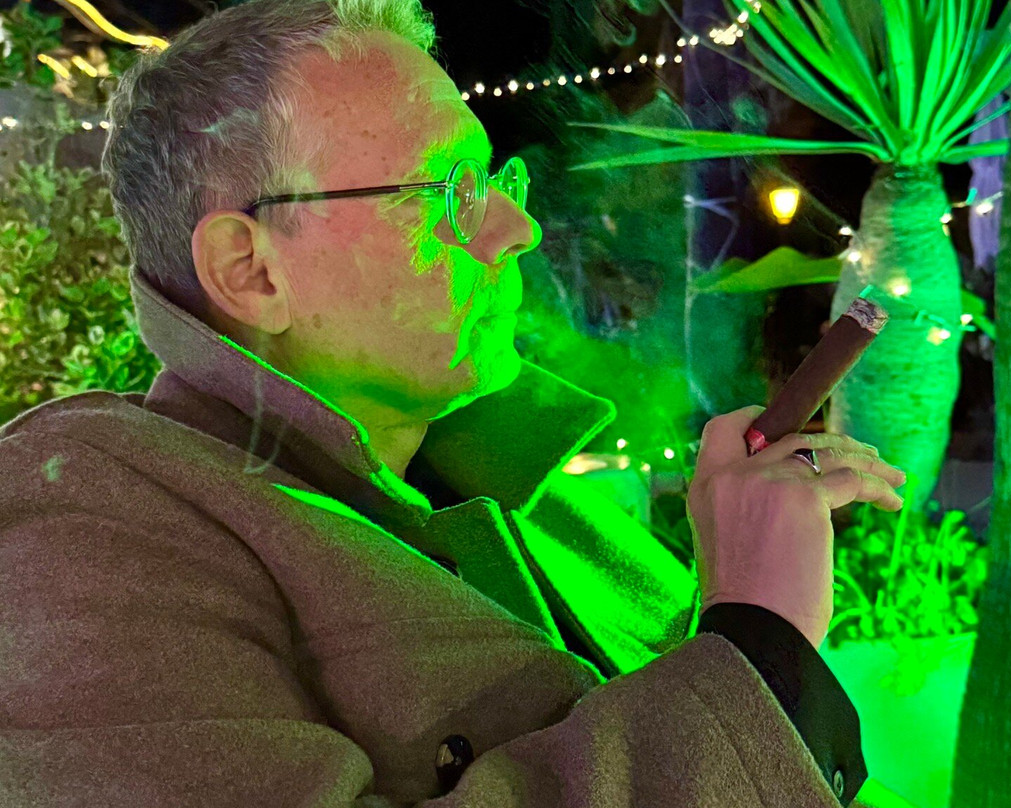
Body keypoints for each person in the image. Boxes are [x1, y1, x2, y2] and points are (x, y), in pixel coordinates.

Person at [0, 0, 906, 805]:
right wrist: (759, 643)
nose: (520, 229)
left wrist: (740, 586)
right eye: (447, 192)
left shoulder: (533, 499)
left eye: (494, 180)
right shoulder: (92, 530)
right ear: (252, 270)